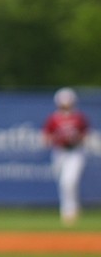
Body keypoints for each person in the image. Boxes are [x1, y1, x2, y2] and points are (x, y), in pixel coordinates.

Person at [42, 87, 91, 226]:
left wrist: (75, 139)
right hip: (59, 152)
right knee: (63, 183)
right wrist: (57, 139)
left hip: (75, 152)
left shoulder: (78, 118)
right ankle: (68, 209)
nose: (66, 105)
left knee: (69, 181)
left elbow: (85, 135)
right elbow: (46, 138)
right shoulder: (54, 118)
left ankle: (70, 211)